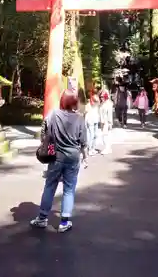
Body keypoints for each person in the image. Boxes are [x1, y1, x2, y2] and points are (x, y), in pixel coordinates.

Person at [30, 89, 87, 233]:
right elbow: (84, 142)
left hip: (56, 156)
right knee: (69, 189)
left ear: (62, 100)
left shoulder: (53, 114)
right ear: (75, 102)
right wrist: (85, 157)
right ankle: (64, 222)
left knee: (50, 185)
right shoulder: (80, 118)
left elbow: (44, 130)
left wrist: (46, 143)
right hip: (73, 157)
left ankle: (42, 218)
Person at [85, 90, 100, 155]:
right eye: (95, 102)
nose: (96, 103)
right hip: (90, 121)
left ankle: (93, 148)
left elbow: (97, 112)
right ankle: (89, 149)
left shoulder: (96, 105)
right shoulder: (88, 105)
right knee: (91, 135)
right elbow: (86, 114)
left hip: (95, 121)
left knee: (96, 135)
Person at [99, 90, 114, 154]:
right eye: (101, 97)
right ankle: (108, 148)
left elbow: (110, 115)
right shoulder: (103, 103)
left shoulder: (108, 104)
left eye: (102, 96)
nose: (101, 98)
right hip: (103, 121)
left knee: (105, 136)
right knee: (105, 135)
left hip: (106, 122)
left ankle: (107, 148)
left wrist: (110, 123)